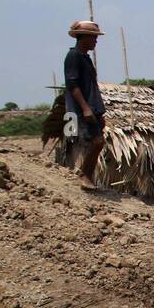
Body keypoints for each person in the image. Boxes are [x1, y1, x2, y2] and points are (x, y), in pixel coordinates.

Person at [63, 19, 106, 190]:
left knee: (99, 141)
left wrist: (98, 111)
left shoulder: (85, 58)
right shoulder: (73, 56)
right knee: (95, 141)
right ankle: (83, 174)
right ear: (84, 38)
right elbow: (72, 85)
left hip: (92, 107)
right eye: (93, 38)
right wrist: (86, 108)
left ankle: (88, 175)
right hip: (82, 109)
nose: (95, 41)